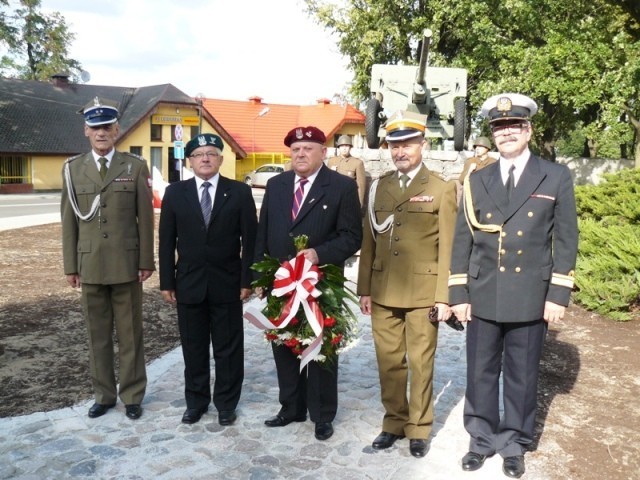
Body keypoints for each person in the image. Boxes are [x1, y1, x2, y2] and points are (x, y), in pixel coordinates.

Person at [449, 93, 578, 478]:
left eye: (513, 127)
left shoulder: (554, 176)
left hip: (529, 294)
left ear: (528, 130)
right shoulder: (477, 179)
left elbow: (567, 238)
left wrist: (558, 293)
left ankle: (514, 443)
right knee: (481, 370)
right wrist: (458, 294)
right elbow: (463, 239)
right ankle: (482, 438)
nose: (505, 133)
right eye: (498, 128)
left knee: (522, 375)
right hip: (483, 289)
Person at [357, 116, 458, 458]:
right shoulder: (378, 186)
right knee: (388, 362)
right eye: (394, 146)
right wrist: (364, 289)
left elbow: (448, 247)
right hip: (384, 289)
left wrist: (444, 296)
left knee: (420, 362)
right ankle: (394, 422)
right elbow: (369, 240)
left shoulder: (441, 188)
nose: (400, 151)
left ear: (423, 145)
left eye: (407, 144)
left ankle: (419, 428)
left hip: (422, 294)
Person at [255, 125, 362, 441]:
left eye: (308, 149)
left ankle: (322, 414)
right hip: (281, 280)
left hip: (321, 282)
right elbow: (264, 231)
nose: (300, 154)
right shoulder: (276, 185)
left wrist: (318, 253)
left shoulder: (341, 187)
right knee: (284, 342)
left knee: (320, 347)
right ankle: (291, 407)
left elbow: (352, 236)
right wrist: (259, 276)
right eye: (295, 149)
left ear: (323, 152)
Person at [61, 97, 155, 420]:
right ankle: (103, 395)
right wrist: (70, 266)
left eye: (107, 127)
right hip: (89, 266)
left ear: (117, 130)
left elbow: (145, 218)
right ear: (86, 131)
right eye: (95, 128)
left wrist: (146, 261)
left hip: (127, 265)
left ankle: (132, 396)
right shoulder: (73, 170)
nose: (101, 133)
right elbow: (68, 221)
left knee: (130, 335)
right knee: (97, 335)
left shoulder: (134, 166)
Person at [158, 133, 257, 426]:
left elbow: (250, 240)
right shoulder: (175, 193)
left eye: (211, 153)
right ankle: (196, 402)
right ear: (190, 161)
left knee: (228, 348)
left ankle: (226, 403)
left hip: (227, 284)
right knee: (194, 348)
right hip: (188, 284)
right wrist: (167, 282)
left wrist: (247, 279)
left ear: (221, 159)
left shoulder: (239, 192)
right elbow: (166, 241)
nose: (205, 158)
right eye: (199, 154)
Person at [327, 134, 367, 205]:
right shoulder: (331, 161)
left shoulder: (357, 163)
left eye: (346, 146)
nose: (344, 148)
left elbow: (361, 186)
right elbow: (326, 182)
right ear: (338, 147)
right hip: (332, 200)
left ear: (350, 147)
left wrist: (359, 204)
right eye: (342, 146)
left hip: (348, 201)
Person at [456, 136, 496, 203]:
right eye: (476, 147)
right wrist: (468, 171)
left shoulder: (494, 162)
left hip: (488, 197)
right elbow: (461, 180)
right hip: (472, 197)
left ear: (487, 148)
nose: (477, 149)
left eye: (480, 146)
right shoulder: (470, 161)